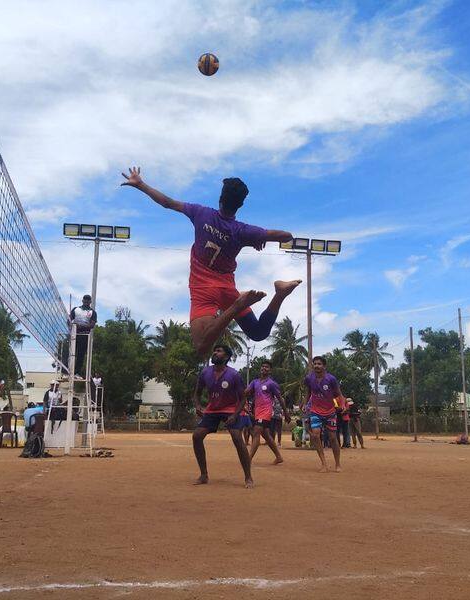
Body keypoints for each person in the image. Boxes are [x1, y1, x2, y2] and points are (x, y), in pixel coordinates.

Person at [121, 167, 301, 358]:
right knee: (258, 333)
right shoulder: (242, 230)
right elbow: (286, 236)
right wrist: (258, 238)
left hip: (203, 289)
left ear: (220, 199)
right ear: (240, 205)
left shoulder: (201, 213)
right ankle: (280, 294)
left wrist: (140, 184)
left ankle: (237, 306)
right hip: (226, 288)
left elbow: (167, 203)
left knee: (201, 348)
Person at [191, 345, 253, 488]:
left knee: (237, 437)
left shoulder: (234, 375)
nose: (215, 352)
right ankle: (204, 475)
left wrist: (235, 414)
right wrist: (198, 406)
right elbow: (197, 393)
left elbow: (243, 398)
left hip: (231, 408)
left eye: (219, 351)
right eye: (214, 350)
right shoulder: (205, 372)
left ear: (226, 357)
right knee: (197, 436)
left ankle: (248, 477)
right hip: (213, 409)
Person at [303, 356, 344, 473]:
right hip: (315, 411)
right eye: (315, 364)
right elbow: (308, 392)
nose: (316, 366)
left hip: (330, 412)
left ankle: (338, 463)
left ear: (324, 366)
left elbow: (338, 394)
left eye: (319, 364)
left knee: (332, 438)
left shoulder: (331, 379)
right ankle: (324, 464)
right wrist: (305, 404)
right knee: (315, 435)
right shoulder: (309, 378)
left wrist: (342, 405)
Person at [246, 360, 290, 464]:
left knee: (256, 431)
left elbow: (280, 398)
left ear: (270, 370)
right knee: (265, 435)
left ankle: (248, 459)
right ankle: (279, 457)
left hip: (266, 411)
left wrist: (286, 413)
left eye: (267, 367)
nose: (264, 368)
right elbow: (246, 393)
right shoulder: (254, 382)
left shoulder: (271, 384)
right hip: (257, 412)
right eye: (263, 366)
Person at [70, 295, 97, 375]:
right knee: (71, 352)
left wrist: (81, 326)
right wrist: (71, 325)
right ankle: (68, 371)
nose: (86, 302)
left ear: (90, 302)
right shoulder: (76, 309)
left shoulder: (92, 312)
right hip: (74, 334)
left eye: (88, 301)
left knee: (80, 354)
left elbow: (92, 325)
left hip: (84, 335)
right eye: (85, 301)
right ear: (82, 300)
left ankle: (77, 372)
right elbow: (69, 320)